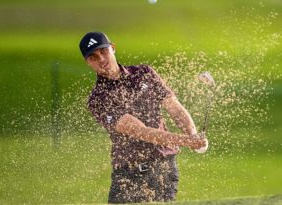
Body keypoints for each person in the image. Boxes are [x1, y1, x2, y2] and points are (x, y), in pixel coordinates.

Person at [79, 31, 208, 204]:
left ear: (113, 48)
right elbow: (141, 131)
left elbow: (173, 106)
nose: (101, 59)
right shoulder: (98, 99)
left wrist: (193, 134)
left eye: (103, 51)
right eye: (94, 57)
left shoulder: (144, 72)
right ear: (88, 62)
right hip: (127, 174)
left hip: (163, 169)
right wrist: (187, 141)